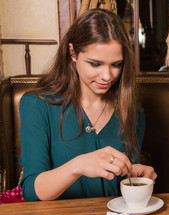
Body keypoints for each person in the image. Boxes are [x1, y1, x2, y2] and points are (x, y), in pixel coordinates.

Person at [19, 8, 157, 202]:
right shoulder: (37, 105)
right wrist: (78, 166)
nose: (107, 76)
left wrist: (134, 174)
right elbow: (31, 193)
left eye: (116, 64)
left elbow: (123, 184)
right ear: (72, 52)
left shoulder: (132, 109)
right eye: (95, 64)